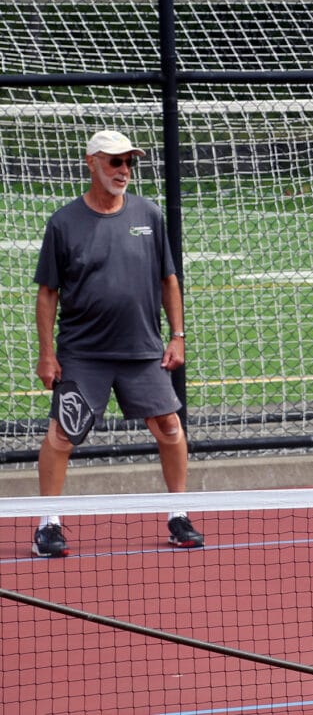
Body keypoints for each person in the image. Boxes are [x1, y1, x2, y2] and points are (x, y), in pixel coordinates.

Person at [31, 129, 204, 556]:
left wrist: (178, 337)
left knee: (169, 427)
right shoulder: (63, 222)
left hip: (142, 350)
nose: (123, 170)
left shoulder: (148, 214)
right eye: (114, 162)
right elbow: (47, 293)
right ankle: (47, 525)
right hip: (83, 353)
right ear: (92, 163)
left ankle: (177, 514)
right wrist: (47, 354)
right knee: (62, 435)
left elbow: (169, 280)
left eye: (129, 162)